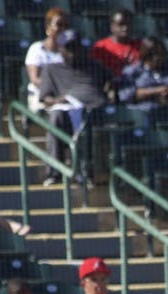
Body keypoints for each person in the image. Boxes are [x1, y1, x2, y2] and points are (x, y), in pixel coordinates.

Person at [37, 29, 113, 187]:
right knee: (57, 115)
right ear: (60, 49)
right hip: (68, 113)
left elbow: (111, 84)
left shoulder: (94, 65)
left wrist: (110, 92)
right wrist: (60, 100)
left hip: (95, 112)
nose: (73, 52)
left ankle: (88, 172)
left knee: (99, 117)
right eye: (69, 48)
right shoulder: (52, 69)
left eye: (76, 47)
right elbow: (45, 99)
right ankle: (54, 172)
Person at [24, 7, 69, 113]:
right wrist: (56, 92)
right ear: (48, 27)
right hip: (40, 96)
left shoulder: (68, 52)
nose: (62, 29)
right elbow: (35, 79)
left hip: (64, 96)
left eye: (65, 26)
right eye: (59, 24)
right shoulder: (36, 49)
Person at [89, 8, 142, 77]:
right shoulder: (101, 48)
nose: (125, 28)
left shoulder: (141, 45)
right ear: (112, 26)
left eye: (128, 24)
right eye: (121, 24)